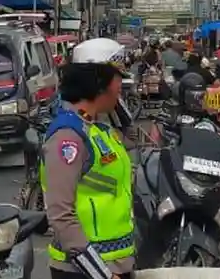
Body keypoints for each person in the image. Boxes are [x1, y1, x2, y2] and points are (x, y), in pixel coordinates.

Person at [40, 38, 136, 279]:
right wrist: (101, 273)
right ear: (100, 83)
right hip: (85, 272)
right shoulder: (68, 137)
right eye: (117, 80)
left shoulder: (97, 129)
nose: (121, 88)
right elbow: (61, 214)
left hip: (117, 264)